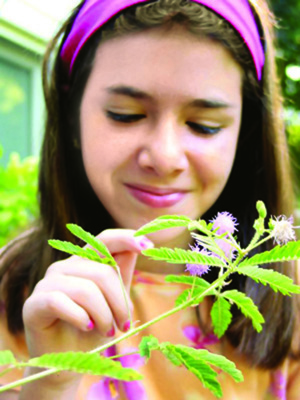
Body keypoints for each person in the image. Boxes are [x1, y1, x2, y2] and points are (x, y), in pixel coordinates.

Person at [0, 0, 299, 398]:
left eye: (204, 126)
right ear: (72, 113)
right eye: (125, 114)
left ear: (246, 131)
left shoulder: (289, 300)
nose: (164, 157)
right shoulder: (15, 291)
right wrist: (54, 382)